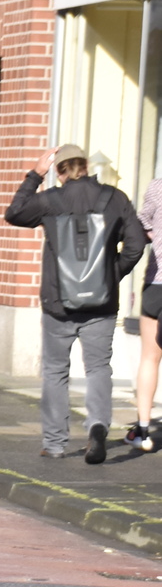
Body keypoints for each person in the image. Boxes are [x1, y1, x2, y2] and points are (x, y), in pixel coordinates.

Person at [6, 144, 147, 463]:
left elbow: (13, 213)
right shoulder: (115, 198)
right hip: (102, 304)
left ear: (59, 170)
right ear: (86, 166)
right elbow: (136, 244)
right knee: (98, 367)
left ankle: (55, 443)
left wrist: (34, 175)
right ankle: (97, 425)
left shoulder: (49, 201)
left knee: (56, 371)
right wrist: (113, 274)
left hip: (58, 303)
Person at [127, 171, 162, 450]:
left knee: (150, 358)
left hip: (156, 285)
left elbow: (141, 227)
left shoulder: (157, 187)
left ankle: (142, 430)